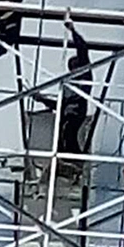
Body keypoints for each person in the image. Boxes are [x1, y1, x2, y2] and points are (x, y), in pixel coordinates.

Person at [34, 18, 92, 159]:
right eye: (71, 68)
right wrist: (42, 99)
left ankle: (74, 159)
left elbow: (82, 49)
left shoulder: (84, 74)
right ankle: (64, 159)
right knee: (62, 135)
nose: (72, 70)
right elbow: (59, 105)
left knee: (69, 133)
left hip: (76, 111)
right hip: (67, 112)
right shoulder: (68, 84)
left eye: (74, 67)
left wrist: (72, 30)